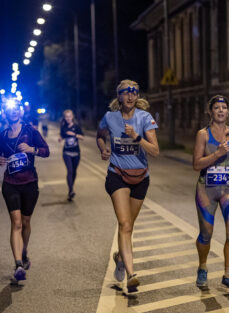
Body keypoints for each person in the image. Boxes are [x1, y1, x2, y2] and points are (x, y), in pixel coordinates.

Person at [96, 79, 159, 292]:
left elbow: (155, 151)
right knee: (124, 224)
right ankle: (132, 275)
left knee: (129, 226)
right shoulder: (109, 118)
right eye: (126, 92)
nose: (131, 96)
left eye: (134, 92)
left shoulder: (145, 118)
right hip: (117, 175)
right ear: (119, 96)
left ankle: (120, 257)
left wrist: (136, 137)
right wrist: (103, 148)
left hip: (141, 178)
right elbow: (100, 135)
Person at [192, 95, 229, 293]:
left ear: (228, 111)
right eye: (217, 107)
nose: (221, 110)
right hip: (206, 188)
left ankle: (228, 275)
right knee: (206, 234)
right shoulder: (203, 135)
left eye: (224, 107)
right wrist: (216, 155)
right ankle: (202, 268)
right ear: (210, 111)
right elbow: (196, 164)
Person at [0, 100, 50, 282]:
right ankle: (18, 264)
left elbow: (46, 151)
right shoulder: (2, 135)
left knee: (26, 222)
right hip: (10, 183)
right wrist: (1, 160)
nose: (14, 112)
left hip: (29, 182)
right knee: (17, 223)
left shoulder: (30, 131)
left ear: (20, 112)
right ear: (5, 112)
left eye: (17, 109)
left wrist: (31, 149)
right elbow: (3, 155)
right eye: (10, 110)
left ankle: (24, 250)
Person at [58, 110, 84, 201]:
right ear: (64, 118)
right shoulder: (63, 127)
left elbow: (82, 137)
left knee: (74, 171)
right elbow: (62, 136)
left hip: (76, 153)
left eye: (69, 116)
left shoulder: (76, 126)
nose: (68, 118)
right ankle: (71, 190)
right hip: (66, 152)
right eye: (66, 117)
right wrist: (60, 138)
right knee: (70, 170)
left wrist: (74, 134)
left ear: (72, 117)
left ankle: (71, 186)